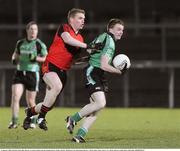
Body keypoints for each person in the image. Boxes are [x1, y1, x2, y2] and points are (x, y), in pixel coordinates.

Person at [22, 8, 103, 131]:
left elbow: (74, 60)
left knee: (48, 104)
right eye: (80, 18)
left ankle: (30, 112)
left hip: (63, 72)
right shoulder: (65, 28)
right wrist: (88, 46)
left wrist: (87, 58)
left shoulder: (80, 38)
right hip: (50, 65)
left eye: (84, 19)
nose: (83, 21)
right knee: (56, 86)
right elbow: (67, 39)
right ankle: (41, 118)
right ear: (71, 19)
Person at [66, 18, 128, 143]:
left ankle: (79, 135)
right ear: (110, 29)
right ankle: (72, 119)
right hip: (93, 73)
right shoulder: (110, 41)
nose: (121, 32)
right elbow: (104, 65)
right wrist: (119, 71)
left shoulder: (103, 37)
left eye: (122, 30)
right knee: (100, 103)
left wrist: (90, 57)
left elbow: (89, 49)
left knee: (95, 109)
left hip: (98, 73)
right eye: (118, 29)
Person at [8, 21, 48, 129]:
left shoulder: (39, 44)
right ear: (27, 30)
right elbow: (15, 54)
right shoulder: (20, 43)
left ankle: (32, 121)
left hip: (32, 73)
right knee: (15, 97)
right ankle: (14, 121)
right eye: (31, 29)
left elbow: (46, 58)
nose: (33, 31)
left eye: (35, 29)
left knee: (30, 101)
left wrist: (35, 58)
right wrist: (14, 59)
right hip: (20, 72)